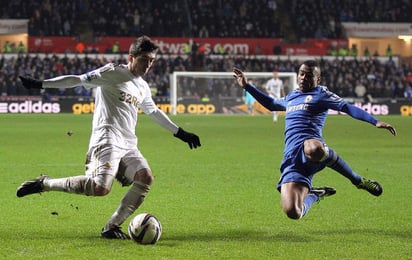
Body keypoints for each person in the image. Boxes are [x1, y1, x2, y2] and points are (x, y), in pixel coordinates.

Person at [16, 36, 201, 239]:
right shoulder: (112, 72)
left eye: (152, 61)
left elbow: (154, 111)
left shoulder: (143, 87)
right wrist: (41, 84)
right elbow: (78, 79)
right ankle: (45, 184)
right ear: (132, 57)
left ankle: (111, 227)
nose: (148, 65)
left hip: (129, 143)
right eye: (145, 59)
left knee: (145, 178)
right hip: (107, 137)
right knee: (100, 188)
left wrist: (180, 133)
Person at [233, 60, 396, 220]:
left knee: (313, 148)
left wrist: (375, 121)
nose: (304, 77)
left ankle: (357, 180)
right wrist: (247, 86)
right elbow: (271, 104)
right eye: (301, 74)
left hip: (312, 148)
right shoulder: (291, 97)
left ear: (318, 79)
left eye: (309, 75)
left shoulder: (321, 94)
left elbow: (346, 107)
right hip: (292, 156)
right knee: (293, 212)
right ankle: (315, 195)